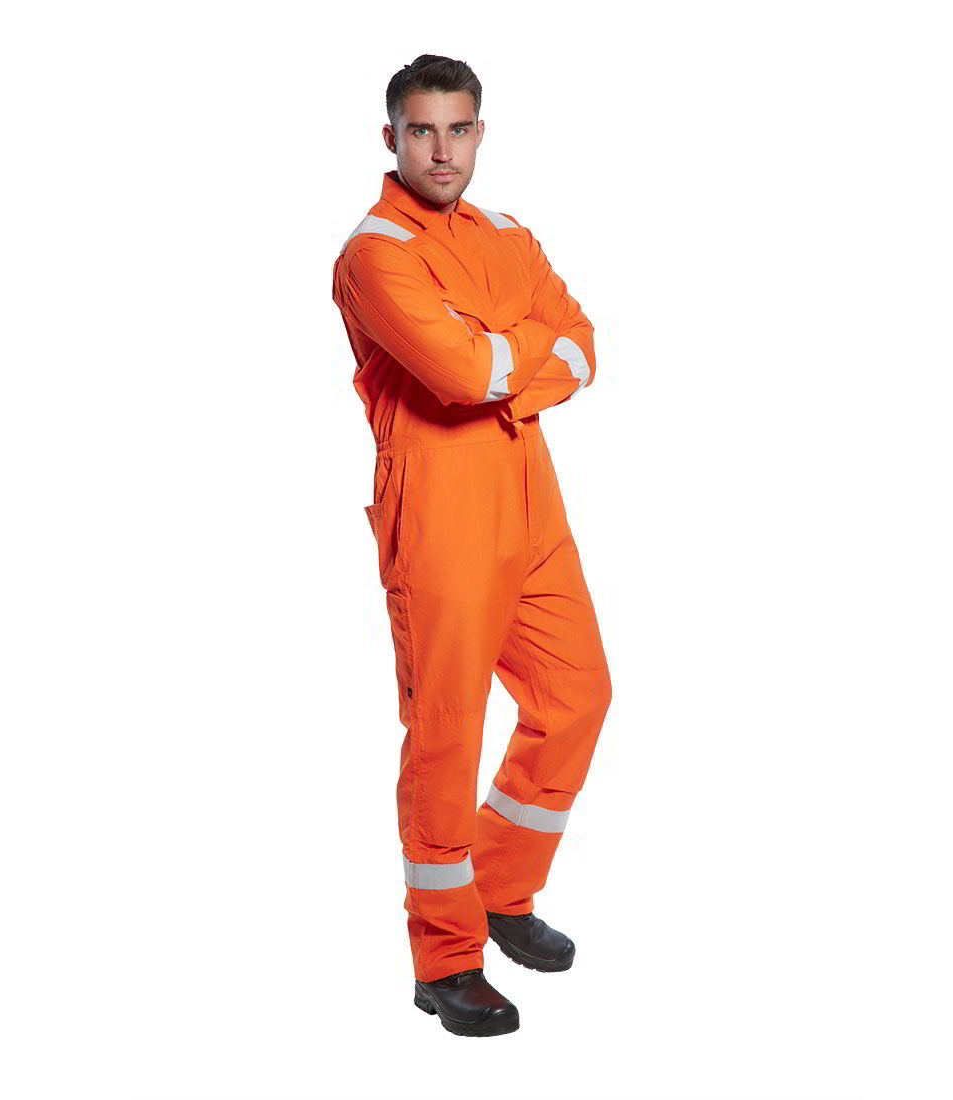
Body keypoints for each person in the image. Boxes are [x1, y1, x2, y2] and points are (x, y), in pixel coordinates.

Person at [330, 54, 612, 1038]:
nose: (441, 151)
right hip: (441, 511)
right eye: (422, 131)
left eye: (457, 130)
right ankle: (445, 957)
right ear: (392, 138)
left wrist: (506, 358)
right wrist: (518, 351)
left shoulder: (507, 234)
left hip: (531, 501)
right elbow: (458, 374)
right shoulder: (375, 255)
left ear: (479, 133)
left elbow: (581, 343)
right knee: (447, 729)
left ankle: (499, 886)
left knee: (577, 695)